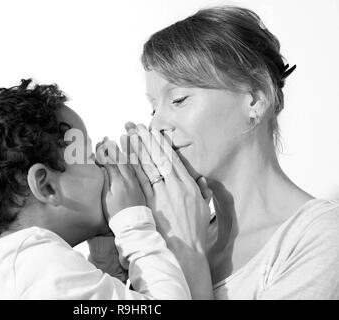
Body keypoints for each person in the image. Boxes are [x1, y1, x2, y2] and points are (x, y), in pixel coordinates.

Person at [121, 5, 339, 299]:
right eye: (153, 107)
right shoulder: (165, 238)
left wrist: (190, 254)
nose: (156, 124)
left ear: (255, 100)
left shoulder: (320, 239)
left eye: (179, 99)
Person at [0, 79, 191, 299]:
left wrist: (106, 262)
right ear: (46, 186)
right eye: (88, 156)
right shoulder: (43, 267)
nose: (104, 162)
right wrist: (134, 224)